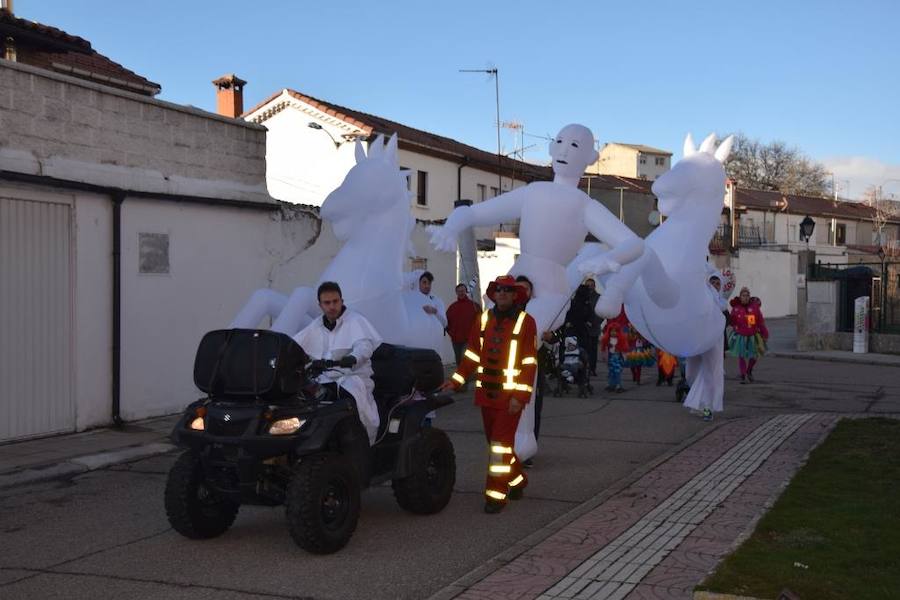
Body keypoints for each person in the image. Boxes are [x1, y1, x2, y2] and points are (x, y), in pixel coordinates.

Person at [440, 275, 538, 514]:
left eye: (507, 290)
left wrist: (520, 396)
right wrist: (456, 380)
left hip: (510, 398)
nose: (502, 294)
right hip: (486, 395)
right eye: (499, 290)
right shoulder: (483, 319)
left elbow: (529, 363)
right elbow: (472, 355)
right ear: (493, 294)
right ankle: (517, 481)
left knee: (499, 447)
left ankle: (496, 495)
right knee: (497, 445)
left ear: (515, 295)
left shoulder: (526, 322)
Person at [293, 281, 382, 443]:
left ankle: (361, 441)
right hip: (324, 380)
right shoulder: (316, 325)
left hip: (353, 378)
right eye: (327, 303)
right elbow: (294, 346)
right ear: (320, 305)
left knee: (355, 404)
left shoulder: (356, 321)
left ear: (342, 301)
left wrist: (353, 359)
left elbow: (364, 347)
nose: (332, 306)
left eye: (335, 301)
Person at [728, 286, 769, 384]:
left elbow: (760, 321)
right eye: (743, 295)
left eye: (747, 295)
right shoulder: (736, 308)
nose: (745, 297)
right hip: (740, 335)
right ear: (740, 296)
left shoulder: (754, 308)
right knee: (741, 356)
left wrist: (764, 333)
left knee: (755, 355)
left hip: (753, 335)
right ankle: (743, 375)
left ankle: (749, 370)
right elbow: (732, 321)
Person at [446, 283, 480, 390]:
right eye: (459, 291)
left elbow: (481, 321)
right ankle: (461, 383)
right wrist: (451, 333)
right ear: (456, 292)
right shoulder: (452, 307)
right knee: (459, 362)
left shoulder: (474, 306)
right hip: (456, 340)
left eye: (463, 290)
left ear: (466, 291)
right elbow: (446, 323)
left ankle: (463, 384)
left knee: (465, 362)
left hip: (468, 340)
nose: (461, 293)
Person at [600, 320, 627, 393]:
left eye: (615, 331)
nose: (613, 333)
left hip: (618, 358)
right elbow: (603, 349)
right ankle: (611, 385)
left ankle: (617, 385)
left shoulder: (621, 339)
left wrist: (623, 357)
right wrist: (605, 356)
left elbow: (624, 349)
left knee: (617, 372)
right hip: (611, 358)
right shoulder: (607, 339)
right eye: (612, 331)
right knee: (611, 372)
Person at [584, 278, 602, 375]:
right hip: (583, 328)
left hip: (594, 328)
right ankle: (584, 368)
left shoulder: (599, 297)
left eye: (591, 285)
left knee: (593, 350)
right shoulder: (582, 297)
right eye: (587, 285)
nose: (589, 287)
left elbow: (602, 313)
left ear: (594, 286)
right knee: (584, 349)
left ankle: (592, 368)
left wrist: (595, 322)